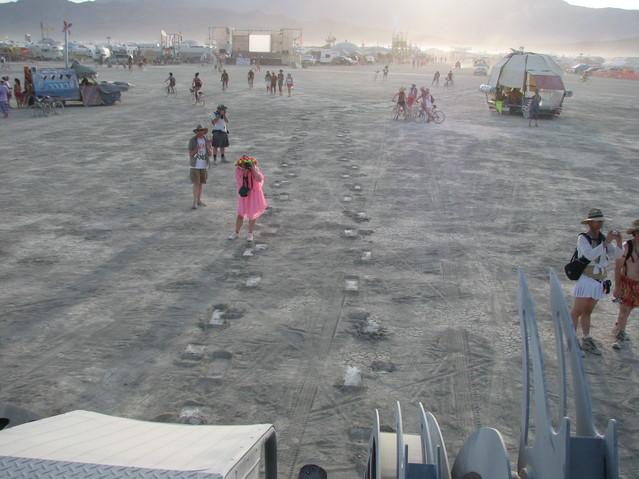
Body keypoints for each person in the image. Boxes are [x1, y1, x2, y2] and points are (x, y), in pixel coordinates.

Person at [570, 208, 623, 355]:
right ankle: (571, 340)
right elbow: (590, 255)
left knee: (588, 311)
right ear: (590, 223)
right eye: (598, 221)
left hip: (599, 280)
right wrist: (606, 243)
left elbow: (617, 255)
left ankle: (586, 338)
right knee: (576, 312)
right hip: (586, 279)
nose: (601, 223)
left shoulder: (602, 238)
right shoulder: (583, 238)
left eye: (601, 221)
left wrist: (619, 242)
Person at [612, 219, 639, 349]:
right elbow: (617, 268)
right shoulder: (627, 247)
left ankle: (619, 326)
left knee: (630, 308)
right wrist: (617, 287)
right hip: (627, 284)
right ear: (635, 232)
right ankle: (620, 335)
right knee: (624, 310)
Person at [228, 155, 267, 242]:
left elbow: (259, 179)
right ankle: (236, 232)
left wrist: (253, 169)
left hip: (254, 193)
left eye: (247, 164)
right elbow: (239, 182)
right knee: (240, 214)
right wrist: (244, 173)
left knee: (252, 214)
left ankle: (250, 233)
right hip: (244, 194)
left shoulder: (254, 168)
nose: (245, 166)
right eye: (244, 164)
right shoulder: (238, 170)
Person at [187, 124, 212, 209]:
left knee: (201, 183)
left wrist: (208, 146)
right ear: (196, 132)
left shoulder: (206, 140)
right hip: (195, 165)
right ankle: (194, 201)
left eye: (201, 130)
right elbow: (190, 154)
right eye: (198, 131)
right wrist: (196, 149)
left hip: (204, 165)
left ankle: (198, 200)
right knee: (196, 183)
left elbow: (211, 154)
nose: (200, 132)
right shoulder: (192, 141)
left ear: (204, 131)